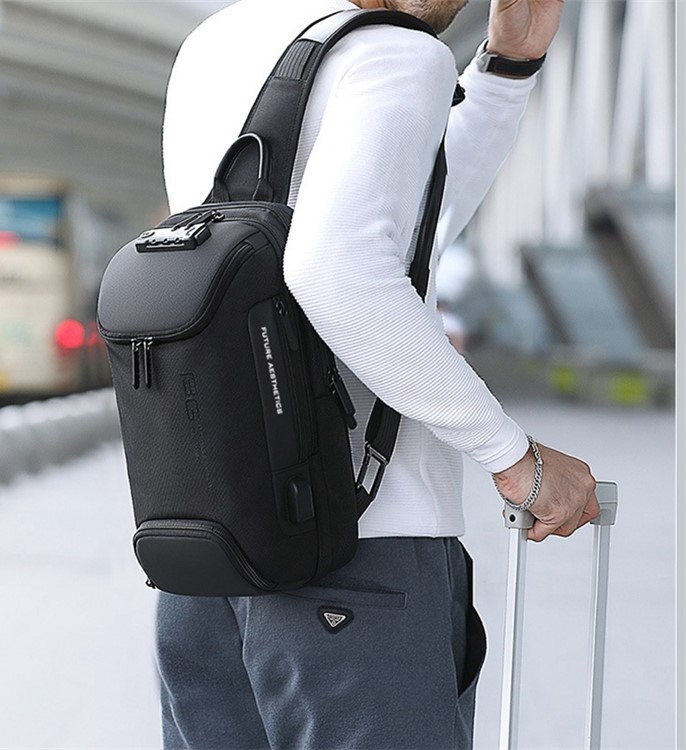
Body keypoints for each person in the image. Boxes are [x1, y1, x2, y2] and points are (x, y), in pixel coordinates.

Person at [158, 0, 599, 747]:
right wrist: (511, 456)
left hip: (207, 551)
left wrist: (506, 70)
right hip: (360, 552)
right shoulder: (400, 51)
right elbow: (340, 271)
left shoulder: (214, 42)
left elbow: (400, 231)